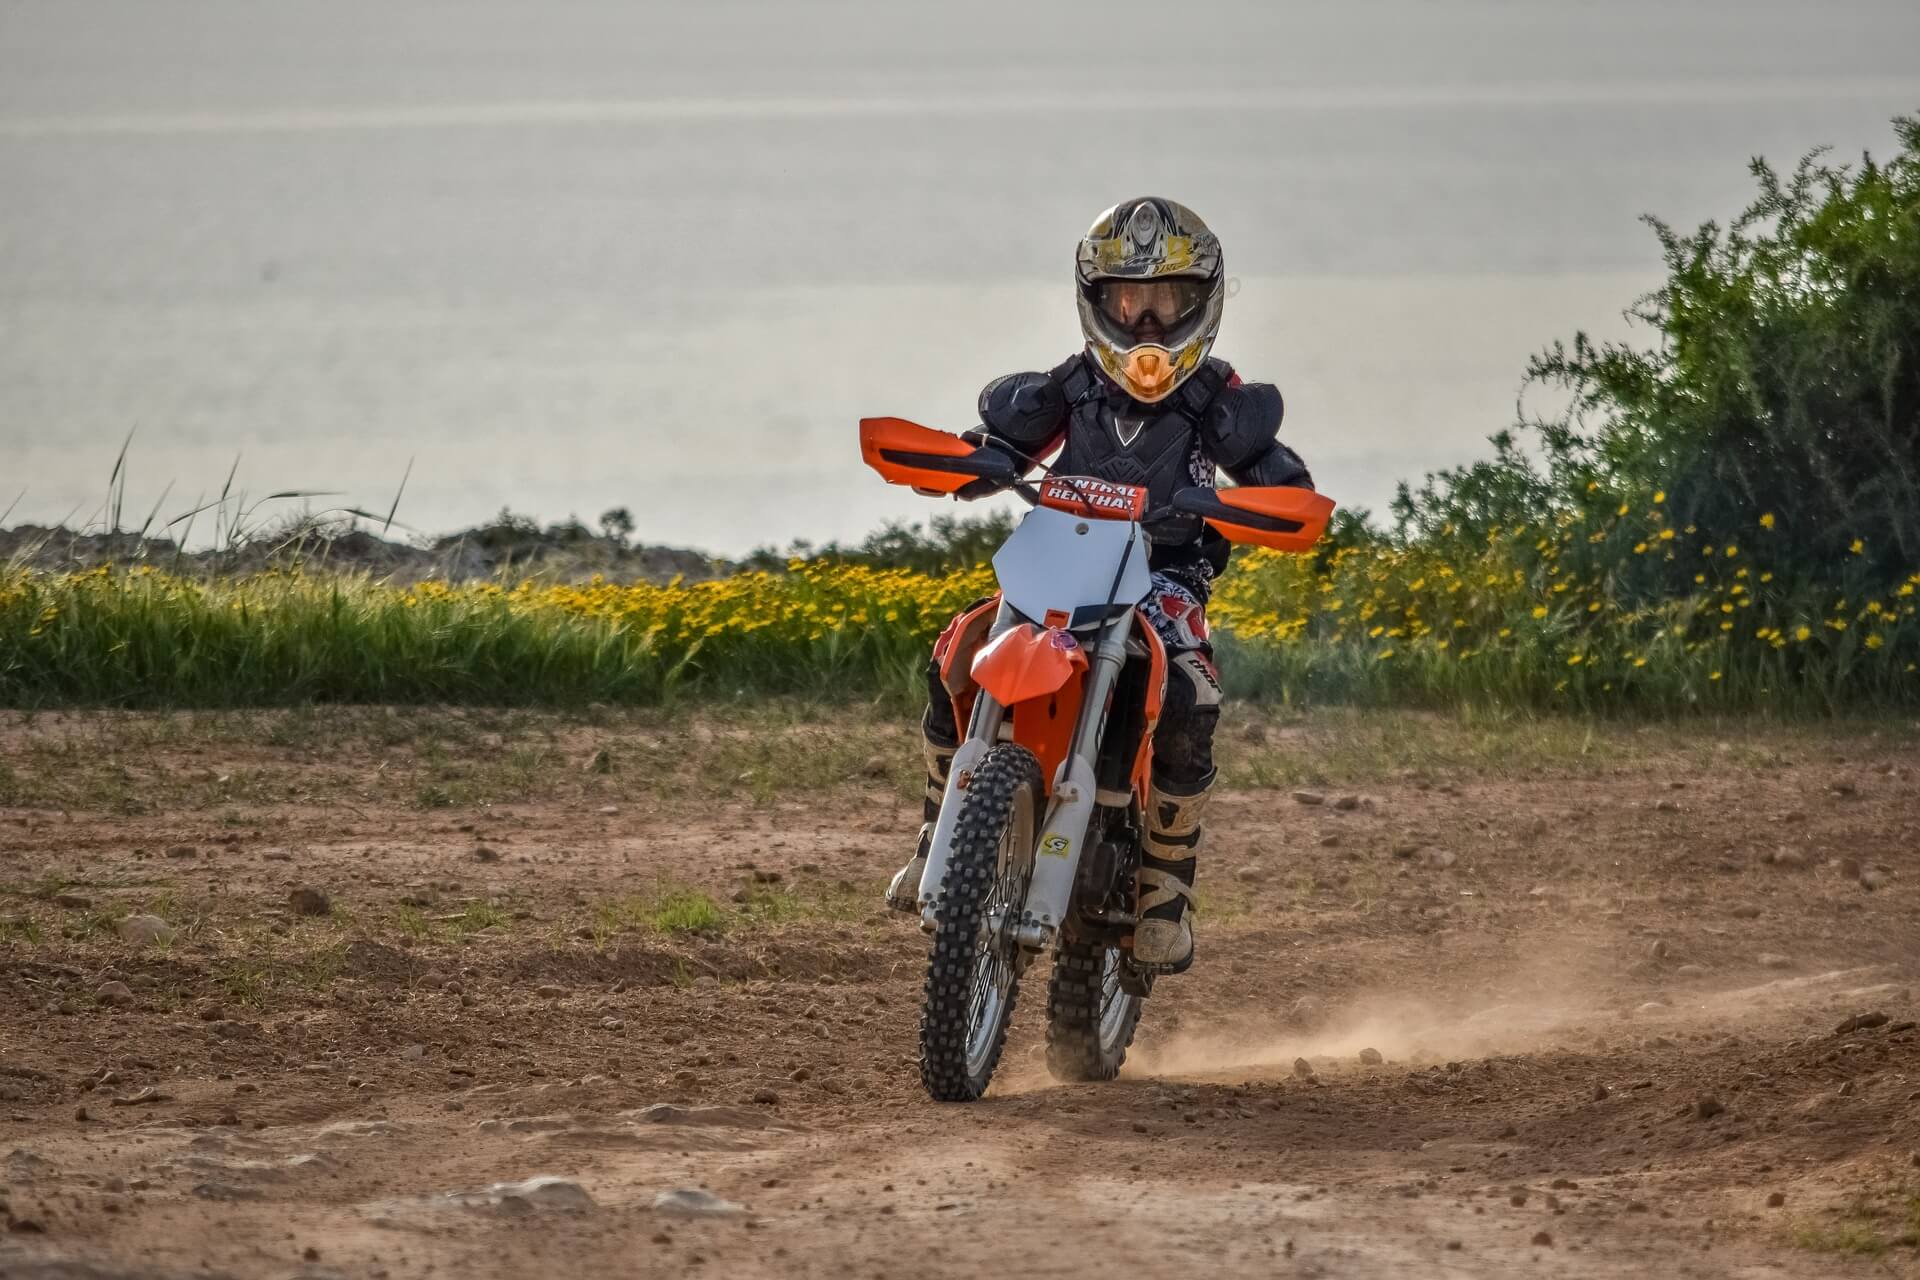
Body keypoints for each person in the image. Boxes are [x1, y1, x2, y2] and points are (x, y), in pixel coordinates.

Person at [886, 196, 1313, 975]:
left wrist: (1254, 503)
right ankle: (932, 831)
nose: (1147, 326)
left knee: (1191, 692)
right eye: (1129, 300)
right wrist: (968, 465)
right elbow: (1001, 444)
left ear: (1202, 303)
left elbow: (1279, 477)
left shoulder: (1218, 399)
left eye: (1166, 302)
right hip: (1060, 557)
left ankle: (1162, 889)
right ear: (1098, 302)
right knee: (960, 645)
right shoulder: (1072, 387)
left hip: (1166, 573)